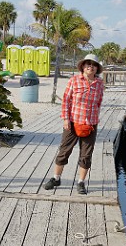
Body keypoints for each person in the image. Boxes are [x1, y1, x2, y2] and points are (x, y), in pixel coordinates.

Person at [44, 53, 105, 195]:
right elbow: (66, 100)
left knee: (86, 154)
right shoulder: (74, 80)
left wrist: (94, 118)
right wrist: (66, 119)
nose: (91, 67)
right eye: (88, 64)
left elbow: (99, 102)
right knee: (64, 150)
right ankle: (56, 178)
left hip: (90, 124)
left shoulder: (99, 84)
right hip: (72, 122)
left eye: (94, 65)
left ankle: (81, 182)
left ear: (97, 68)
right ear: (83, 66)